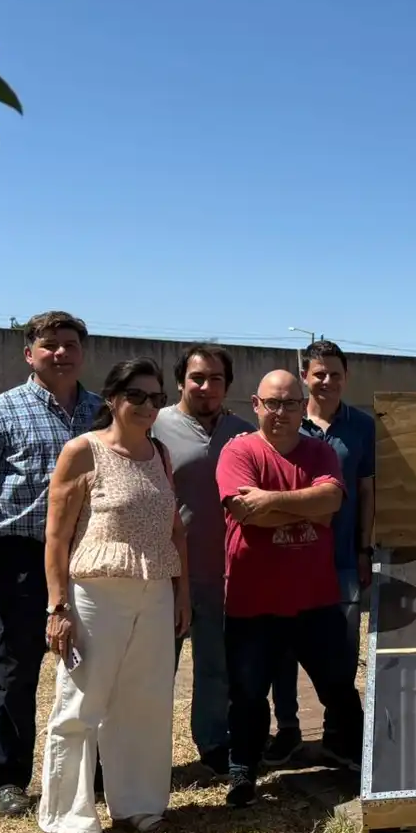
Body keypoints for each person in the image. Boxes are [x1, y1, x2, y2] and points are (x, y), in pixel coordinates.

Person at [0, 311, 103, 818]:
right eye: (50, 344)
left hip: (89, 557)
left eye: (70, 344)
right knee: (14, 669)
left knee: (90, 665)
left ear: (83, 351)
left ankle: (90, 771)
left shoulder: (103, 414)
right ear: (29, 353)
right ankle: (8, 777)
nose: (61, 352)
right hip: (21, 556)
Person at [37, 359, 189, 833]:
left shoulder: (160, 453)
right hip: (96, 592)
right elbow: (56, 537)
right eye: (137, 396)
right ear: (112, 398)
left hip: (156, 587)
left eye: (156, 398)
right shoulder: (83, 451)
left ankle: (140, 806)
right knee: (82, 702)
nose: (148, 406)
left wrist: (181, 592)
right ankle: (69, 816)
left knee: (145, 703)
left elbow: (175, 530)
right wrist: (57, 608)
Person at [216, 371, 366, 807]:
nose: (281, 412)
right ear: (255, 404)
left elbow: (332, 504)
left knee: (338, 686)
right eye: (272, 403)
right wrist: (305, 509)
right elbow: (246, 512)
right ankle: (243, 770)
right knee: (246, 693)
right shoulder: (238, 452)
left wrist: (271, 501)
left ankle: (364, 762)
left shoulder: (320, 452)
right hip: (252, 599)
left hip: (314, 599)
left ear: (303, 406)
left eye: (290, 404)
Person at [267, 340, 377, 768]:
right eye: (319, 373)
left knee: (342, 651)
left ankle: (338, 733)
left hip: (343, 559)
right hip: (288, 558)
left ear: (346, 378)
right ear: (304, 376)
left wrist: (365, 548)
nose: (326, 381)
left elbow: (367, 492)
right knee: (283, 650)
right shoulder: (284, 422)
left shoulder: (362, 427)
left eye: (334, 373)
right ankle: (288, 730)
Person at [152, 343, 254, 775]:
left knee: (216, 666)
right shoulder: (154, 426)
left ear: (227, 385)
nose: (206, 386)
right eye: (197, 377)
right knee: (155, 668)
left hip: (224, 573)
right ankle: (144, 753)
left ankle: (213, 744)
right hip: (165, 571)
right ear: (181, 381)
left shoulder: (245, 432)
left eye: (216, 379)